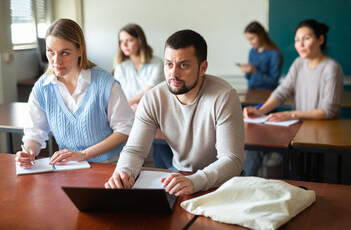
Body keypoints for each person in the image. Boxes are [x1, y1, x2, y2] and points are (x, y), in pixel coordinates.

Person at [105, 29, 245, 196]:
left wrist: (196, 181)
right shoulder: (152, 98)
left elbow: (231, 160)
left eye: (183, 65)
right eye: (169, 64)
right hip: (180, 174)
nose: (173, 73)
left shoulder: (224, 96)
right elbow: (135, 150)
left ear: (203, 67)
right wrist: (123, 172)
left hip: (222, 180)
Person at [15, 18, 135, 168]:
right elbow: (35, 132)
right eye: (50, 52)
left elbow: (126, 129)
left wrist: (85, 154)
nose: (56, 60)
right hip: (69, 167)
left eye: (64, 53)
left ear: (80, 50)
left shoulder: (104, 83)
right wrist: (29, 152)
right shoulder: (42, 88)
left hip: (109, 165)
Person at [243, 19, 344, 176]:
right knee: (257, 147)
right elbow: (282, 91)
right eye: (297, 40)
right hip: (296, 126)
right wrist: (260, 110)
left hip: (319, 132)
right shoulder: (299, 63)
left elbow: (327, 111)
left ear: (320, 39)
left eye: (306, 38)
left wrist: (290, 114)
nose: (300, 44)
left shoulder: (331, 68)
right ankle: (243, 185)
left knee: (305, 173)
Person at [113, 23, 164, 112]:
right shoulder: (120, 67)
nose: (124, 45)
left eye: (129, 40)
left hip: (152, 110)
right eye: (121, 41)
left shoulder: (157, 63)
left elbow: (148, 94)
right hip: (127, 112)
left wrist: (125, 104)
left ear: (140, 41)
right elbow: (117, 95)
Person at [239, 21, 283, 89]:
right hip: (251, 92)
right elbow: (248, 77)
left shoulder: (274, 54)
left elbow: (274, 81)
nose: (250, 42)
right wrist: (247, 70)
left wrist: (254, 71)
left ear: (261, 35)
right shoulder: (252, 51)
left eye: (252, 38)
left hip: (267, 93)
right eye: (248, 39)